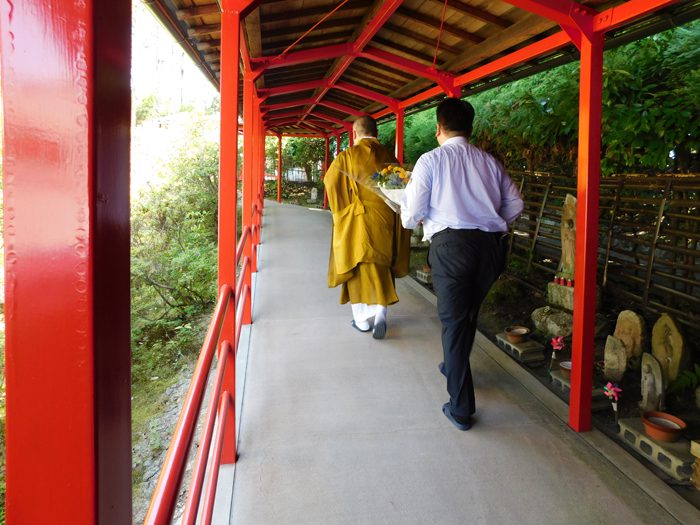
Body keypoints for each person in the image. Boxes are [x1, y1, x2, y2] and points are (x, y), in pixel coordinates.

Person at [400, 98, 524, 430]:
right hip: (489, 250)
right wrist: (491, 221)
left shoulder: (430, 160)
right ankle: (453, 365)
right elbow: (516, 203)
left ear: (438, 128)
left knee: (455, 323)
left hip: (451, 248)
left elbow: (411, 214)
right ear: (470, 128)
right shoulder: (489, 161)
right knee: (466, 315)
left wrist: (411, 214)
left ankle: (460, 407)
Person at [324, 116, 411, 339]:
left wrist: (343, 210)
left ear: (354, 134)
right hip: (385, 219)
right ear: (376, 133)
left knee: (359, 266)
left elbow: (331, 182)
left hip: (359, 219)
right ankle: (381, 308)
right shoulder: (389, 157)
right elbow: (399, 191)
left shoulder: (347, 156)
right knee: (382, 262)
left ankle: (362, 320)